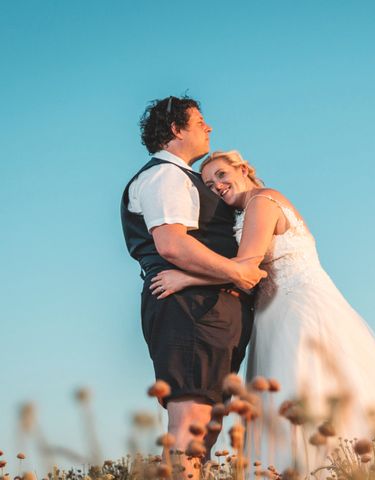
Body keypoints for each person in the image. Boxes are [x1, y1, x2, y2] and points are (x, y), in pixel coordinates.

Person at [150, 150, 375, 474]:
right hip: (272, 315)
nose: (217, 186)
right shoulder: (246, 212)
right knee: (286, 404)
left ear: (243, 169)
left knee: (305, 392)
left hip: (297, 310)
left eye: (222, 175)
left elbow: (247, 265)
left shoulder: (262, 201)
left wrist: (186, 277)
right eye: (209, 184)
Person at [120, 98, 266, 475]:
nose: (209, 128)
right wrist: (236, 272)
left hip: (210, 311)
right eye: (200, 121)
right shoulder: (165, 176)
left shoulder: (184, 178)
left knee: (208, 424)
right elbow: (171, 243)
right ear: (176, 129)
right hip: (190, 311)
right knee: (191, 423)